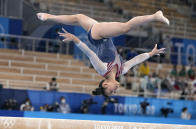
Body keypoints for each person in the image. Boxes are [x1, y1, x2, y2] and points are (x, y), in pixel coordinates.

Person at [37, 11, 169, 96]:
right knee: (77, 17)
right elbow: (136, 60)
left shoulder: (102, 69)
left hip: (97, 36)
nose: (116, 90)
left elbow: (90, 54)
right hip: (98, 34)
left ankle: (155, 16)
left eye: (112, 90)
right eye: (114, 92)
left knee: (125, 27)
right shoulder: (121, 71)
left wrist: (75, 39)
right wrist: (151, 54)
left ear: (105, 84)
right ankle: (49, 16)